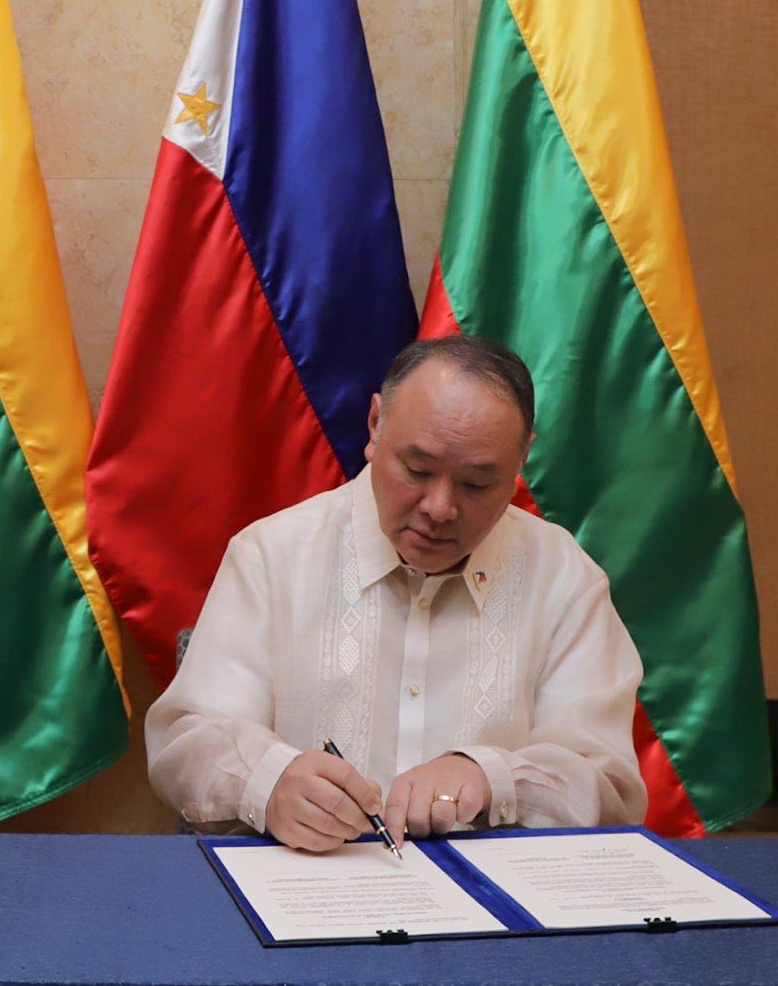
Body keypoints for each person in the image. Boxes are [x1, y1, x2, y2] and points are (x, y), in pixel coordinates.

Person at [146, 335, 646, 852]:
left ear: (521, 459)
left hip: (493, 893)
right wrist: (272, 782)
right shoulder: (273, 555)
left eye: (476, 484)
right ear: (374, 425)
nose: (439, 508)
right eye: (418, 470)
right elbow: (188, 740)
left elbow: (609, 786)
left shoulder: (563, 577)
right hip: (309, 878)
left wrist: (491, 778)